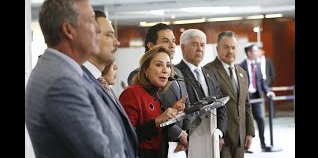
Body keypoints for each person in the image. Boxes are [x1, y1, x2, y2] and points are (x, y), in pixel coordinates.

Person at [25, 0, 126, 158]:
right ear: (68, 30)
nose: (98, 28)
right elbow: (101, 154)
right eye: (91, 20)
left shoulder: (63, 70)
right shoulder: (61, 82)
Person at [82, 10, 138, 158]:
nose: (117, 42)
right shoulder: (79, 83)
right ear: (89, 38)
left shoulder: (99, 81)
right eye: (109, 35)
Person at [127, 23, 190, 154]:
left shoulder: (158, 91)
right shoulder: (133, 91)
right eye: (159, 65)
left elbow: (160, 127)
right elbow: (127, 135)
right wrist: (159, 120)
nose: (165, 71)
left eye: (168, 66)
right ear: (145, 70)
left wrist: (174, 115)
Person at [175, 29, 227, 158]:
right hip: (188, 141)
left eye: (202, 45)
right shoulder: (175, 74)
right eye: (194, 44)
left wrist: (219, 133)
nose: (200, 48)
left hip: (212, 138)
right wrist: (182, 135)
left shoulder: (209, 74)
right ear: (183, 47)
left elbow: (221, 105)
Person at [204, 31, 255, 158]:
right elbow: (209, 107)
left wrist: (249, 132)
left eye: (233, 47)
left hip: (240, 137)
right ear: (217, 49)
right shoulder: (208, 71)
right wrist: (217, 135)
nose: (230, 51)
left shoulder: (242, 72)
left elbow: (246, 104)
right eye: (226, 47)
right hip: (222, 138)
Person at [238, 44, 275, 152]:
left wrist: (268, 91)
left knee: (260, 119)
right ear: (249, 53)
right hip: (245, 99)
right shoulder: (240, 66)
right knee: (245, 123)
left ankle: (263, 144)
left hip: (256, 97)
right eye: (255, 51)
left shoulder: (257, 65)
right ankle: (245, 147)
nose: (258, 53)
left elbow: (262, 81)